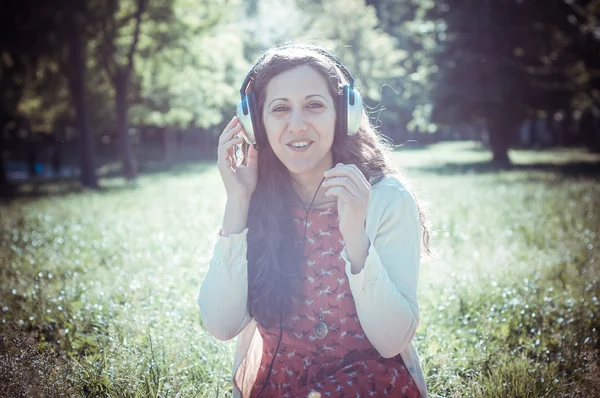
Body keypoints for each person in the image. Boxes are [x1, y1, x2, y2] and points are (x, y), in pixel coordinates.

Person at [198, 43, 431, 398]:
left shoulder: (387, 199)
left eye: (314, 106)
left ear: (343, 114)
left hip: (369, 384)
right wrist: (238, 201)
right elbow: (221, 324)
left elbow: (391, 340)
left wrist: (355, 237)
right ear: (254, 123)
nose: (297, 125)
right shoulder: (254, 200)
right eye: (280, 109)